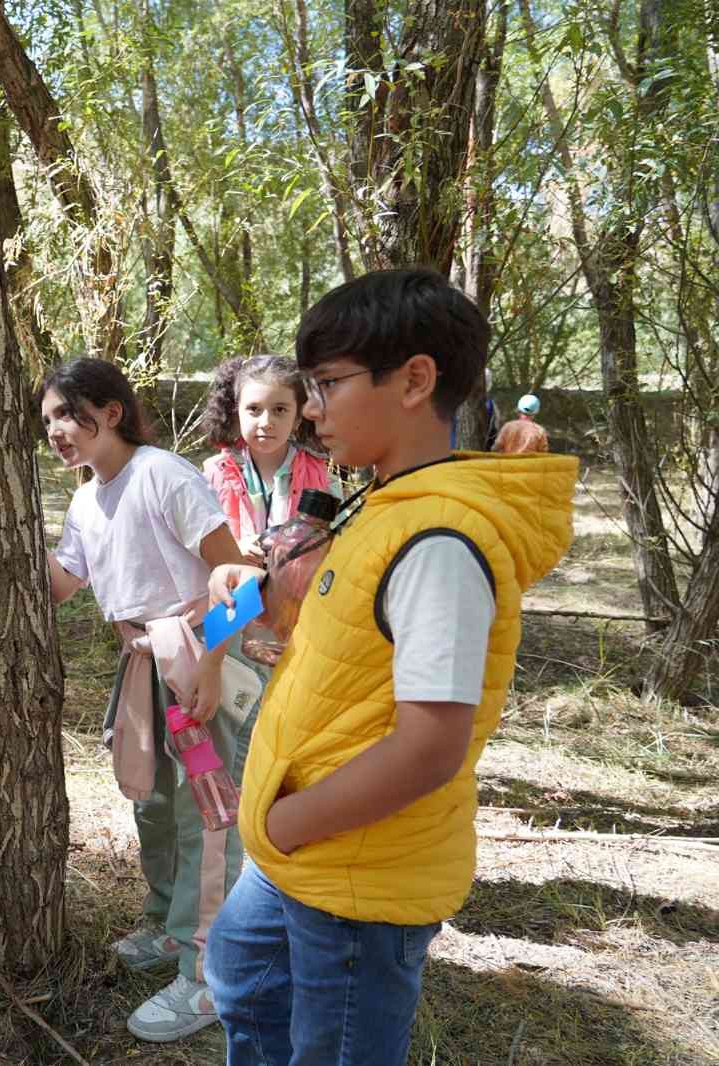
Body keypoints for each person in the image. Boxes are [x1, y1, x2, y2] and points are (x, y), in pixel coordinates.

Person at [203, 269, 577, 1066]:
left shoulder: (439, 544)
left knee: (335, 1048)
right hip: (305, 847)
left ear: (414, 380)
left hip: (353, 864)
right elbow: (324, 636)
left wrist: (287, 824)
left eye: (328, 385)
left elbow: (430, 746)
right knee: (241, 974)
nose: (310, 409)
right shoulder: (376, 504)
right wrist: (240, 604)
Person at [41, 358, 261, 1043]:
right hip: (142, 665)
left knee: (208, 820)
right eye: (46, 419)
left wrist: (215, 667)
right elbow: (59, 584)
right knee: (156, 804)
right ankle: (170, 925)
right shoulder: (85, 499)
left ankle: (207, 979)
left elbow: (244, 577)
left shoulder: (162, 474)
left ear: (110, 412)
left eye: (67, 414)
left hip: (197, 657)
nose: (55, 431)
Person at [199, 354, 339, 561]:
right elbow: (199, 544)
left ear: (298, 418)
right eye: (254, 409)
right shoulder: (214, 474)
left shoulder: (318, 476)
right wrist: (233, 550)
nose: (266, 422)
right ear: (237, 412)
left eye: (280, 410)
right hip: (236, 588)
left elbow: (337, 546)